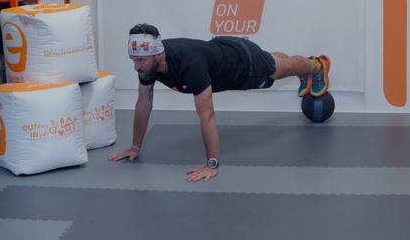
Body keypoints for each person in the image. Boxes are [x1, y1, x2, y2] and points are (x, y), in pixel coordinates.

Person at [107, 23, 331, 182]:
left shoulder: (189, 65)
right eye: (133, 60)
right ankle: (277, 60)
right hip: (224, 52)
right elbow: (144, 105)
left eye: (140, 61)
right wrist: (134, 146)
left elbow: (208, 115)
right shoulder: (149, 64)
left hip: (244, 64)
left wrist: (211, 164)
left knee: (279, 71)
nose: (136, 67)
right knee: (273, 63)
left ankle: (317, 66)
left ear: (158, 55)